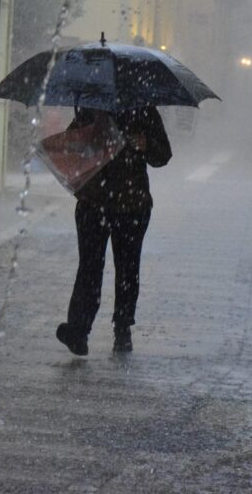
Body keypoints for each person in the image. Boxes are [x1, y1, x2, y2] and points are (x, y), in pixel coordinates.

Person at [56, 106, 172, 356]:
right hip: (94, 204)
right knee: (90, 267)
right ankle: (79, 331)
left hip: (131, 206)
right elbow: (71, 147)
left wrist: (145, 144)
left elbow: (163, 155)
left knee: (127, 267)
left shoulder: (143, 111)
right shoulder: (90, 110)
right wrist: (89, 139)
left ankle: (122, 328)